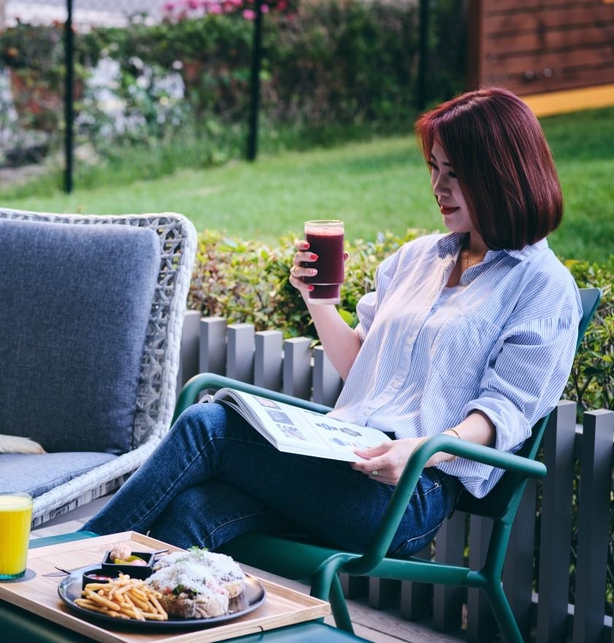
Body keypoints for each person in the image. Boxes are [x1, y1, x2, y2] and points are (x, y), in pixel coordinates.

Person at [82, 87, 582, 556]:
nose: (437, 187)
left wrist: (419, 452)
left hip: (409, 490)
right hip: (337, 458)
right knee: (194, 512)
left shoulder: (541, 286)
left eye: (454, 174)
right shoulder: (417, 259)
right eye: (433, 168)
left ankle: (79, 548)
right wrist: (318, 302)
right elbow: (360, 365)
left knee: (208, 425)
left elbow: (503, 413)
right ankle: (140, 628)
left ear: (499, 174)